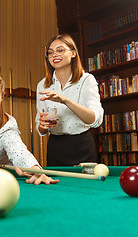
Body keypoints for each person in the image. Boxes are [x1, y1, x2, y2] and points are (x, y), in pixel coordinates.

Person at [35, 33, 104, 166]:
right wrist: (42, 125)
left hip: (82, 145)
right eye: (50, 52)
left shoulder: (86, 80)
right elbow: (41, 129)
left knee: (84, 187)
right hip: (55, 148)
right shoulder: (42, 85)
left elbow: (95, 120)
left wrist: (65, 100)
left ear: (73, 53)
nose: (54, 55)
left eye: (60, 50)